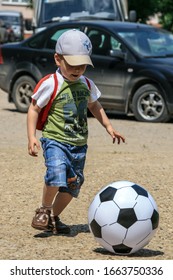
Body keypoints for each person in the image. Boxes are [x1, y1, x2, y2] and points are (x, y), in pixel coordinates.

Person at [27, 29, 125, 234]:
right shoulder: (51, 83)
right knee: (56, 173)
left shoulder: (86, 84)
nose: (78, 69)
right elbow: (34, 108)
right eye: (72, 64)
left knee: (73, 185)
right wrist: (31, 137)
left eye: (83, 65)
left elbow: (95, 106)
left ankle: (53, 218)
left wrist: (109, 127)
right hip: (56, 140)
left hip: (79, 145)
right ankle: (43, 210)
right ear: (57, 59)